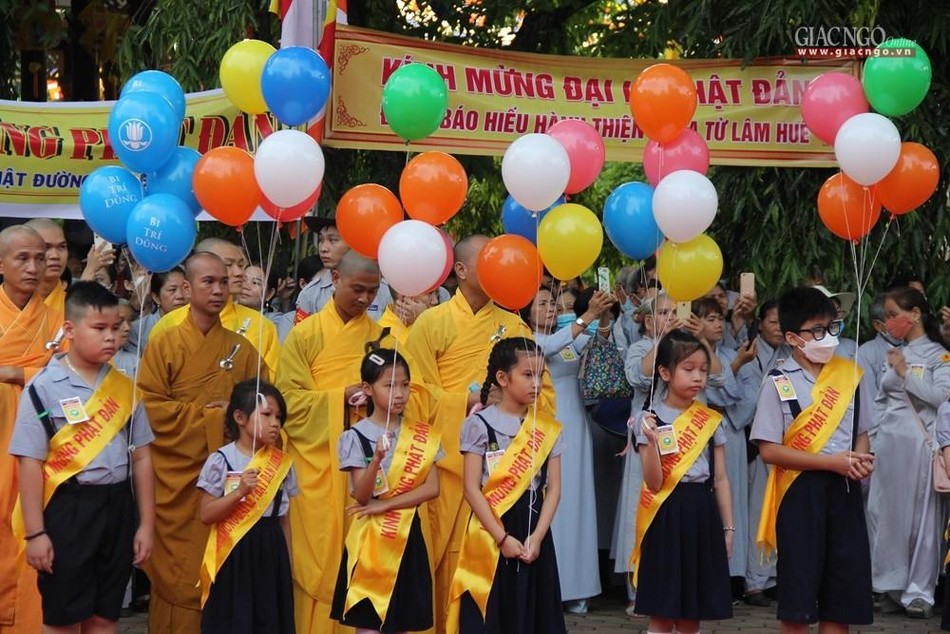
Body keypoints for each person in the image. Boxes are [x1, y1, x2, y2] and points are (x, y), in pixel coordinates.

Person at [403, 235, 553, 633]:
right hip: (449, 464)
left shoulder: (514, 326)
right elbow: (414, 393)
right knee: (444, 560)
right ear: (461, 270)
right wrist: (465, 402)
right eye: (487, 264)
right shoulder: (430, 324)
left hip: (507, 472)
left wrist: (505, 408)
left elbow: (544, 397)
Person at [11, 281, 155, 634]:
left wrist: (146, 524)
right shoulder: (43, 388)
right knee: (63, 616)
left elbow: (142, 458)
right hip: (69, 507)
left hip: (118, 505)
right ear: (70, 330)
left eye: (117, 328)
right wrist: (36, 534)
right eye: (100, 328)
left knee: (106, 614)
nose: (111, 337)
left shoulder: (125, 387)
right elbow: (29, 463)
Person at [137, 252, 264, 633]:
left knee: (223, 572)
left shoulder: (244, 350)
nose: (219, 290)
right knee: (177, 574)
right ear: (188, 288)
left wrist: (238, 414)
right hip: (177, 480)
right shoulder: (165, 343)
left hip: (227, 483)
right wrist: (217, 419)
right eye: (208, 282)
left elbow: (266, 406)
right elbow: (149, 411)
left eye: (224, 282)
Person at [276, 251, 399, 634]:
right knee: (317, 553)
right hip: (318, 463)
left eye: (372, 292)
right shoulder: (305, 334)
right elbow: (286, 402)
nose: (364, 299)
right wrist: (338, 397)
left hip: (366, 461)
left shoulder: (382, 337)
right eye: (357, 289)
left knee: (361, 553)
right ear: (335, 279)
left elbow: (400, 392)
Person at [751, 286, 875, 633]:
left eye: (832, 328)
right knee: (799, 593)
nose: (828, 337)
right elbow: (768, 450)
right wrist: (830, 462)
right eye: (817, 331)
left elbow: (862, 431)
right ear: (793, 337)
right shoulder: (778, 381)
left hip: (845, 490)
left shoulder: (850, 374)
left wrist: (861, 459)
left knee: (842, 591)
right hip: (799, 493)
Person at [448, 337, 566, 633]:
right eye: (528, 375)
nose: (536, 383)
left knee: (531, 611)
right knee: (491, 611)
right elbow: (471, 488)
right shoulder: (479, 425)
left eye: (540, 375)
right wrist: (501, 538)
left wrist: (537, 537)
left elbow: (553, 488)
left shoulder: (547, 427)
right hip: (490, 528)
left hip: (532, 527)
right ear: (502, 377)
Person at [331, 349, 442, 633]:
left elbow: (432, 488)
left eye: (405, 385)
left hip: (407, 536)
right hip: (370, 541)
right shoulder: (354, 436)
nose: (400, 393)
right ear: (367, 389)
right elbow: (361, 495)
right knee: (368, 623)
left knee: (402, 622)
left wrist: (387, 506)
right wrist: (377, 460)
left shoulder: (422, 435)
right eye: (389, 385)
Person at [632, 331, 734, 632]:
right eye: (688, 369)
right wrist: (649, 441)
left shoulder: (711, 419)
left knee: (693, 608)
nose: (698, 377)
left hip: (701, 510)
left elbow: (722, 478)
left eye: (703, 370)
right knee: (662, 608)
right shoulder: (649, 419)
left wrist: (728, 528)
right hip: (663, 512)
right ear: (664, 372)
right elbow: (653, 482)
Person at [522, 285, 612, 613]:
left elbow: (598, 343)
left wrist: (601, 318)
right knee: (549, 500)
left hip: (575, 422)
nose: (549, 308)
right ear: (527, 310)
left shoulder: (568, 332)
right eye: (542, 303)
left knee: (576, 500)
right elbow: (550, 345)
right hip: (544, 422)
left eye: (552, 303)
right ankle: (548, 585)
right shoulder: (527, 338)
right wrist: (587, 316)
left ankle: (578, 586)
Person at [867, 287, 950, 619]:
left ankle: (919, 592)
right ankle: (890, 586)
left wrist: (904, 374)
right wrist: (872, 443)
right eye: (886, 316)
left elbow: (943, 398)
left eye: (893, 314)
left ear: (915, 314)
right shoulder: (895, 352)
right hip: (888, 448)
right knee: (885, 517)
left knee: (921, 519)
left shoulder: (937, 355)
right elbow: (881, 400)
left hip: (919, 447)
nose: (888, 322)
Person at [0, 225, 63, 633]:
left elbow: (72, 373)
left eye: (39, 258)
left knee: (26, 521)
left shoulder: (59, 318)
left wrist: (17, 371)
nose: (34, 267)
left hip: (35, 442)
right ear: (1, 263)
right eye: (22, 258)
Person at [198, 380, 297, 634]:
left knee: (270, 621)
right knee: (235, 621)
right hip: (234, 551)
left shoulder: (282, 464)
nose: (275, 422)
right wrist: (239, 493)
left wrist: (287, 564)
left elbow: (284, 521)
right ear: (240, 417)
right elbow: (206, 514)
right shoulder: (222, 459)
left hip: (271, 548)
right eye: (266, 415)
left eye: (278, 416)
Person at [691, 297, 757, 585]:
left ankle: (731, 572)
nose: (718, 324)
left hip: (728, 430)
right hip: (696, 430)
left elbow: (737, 395)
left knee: (731, 498)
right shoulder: (687, 354)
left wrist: (736, 364)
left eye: (720, 319)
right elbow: (710, 389)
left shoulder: (733, 354)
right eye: (709, 319)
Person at [147, 239, 281, 375]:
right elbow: (152, 386)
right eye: (228, 264)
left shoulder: (261, 325)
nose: (239, 272)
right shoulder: (169, 324)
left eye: (241, 265)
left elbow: (268, 382)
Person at [297, 214, 392, 323]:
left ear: (352, 243)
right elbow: (303, 337)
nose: (323, 248)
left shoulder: (382, 290)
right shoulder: (310, 294)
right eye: (321, 240)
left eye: (333, 240)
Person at [129, 267, 186, 352]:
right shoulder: (138, 330)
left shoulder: (200, 323)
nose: (180, 296)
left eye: (185, 288)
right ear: (156, 297)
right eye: (172, 290)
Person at [24, 219, 70, 315]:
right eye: (46, 247)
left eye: (62, 247)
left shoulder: (78, 307)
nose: (55, 256)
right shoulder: (5, 303)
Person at [112, 299, 139, 378]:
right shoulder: (86, 360)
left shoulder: (135, 363)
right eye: (120, 321)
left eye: (129, 321)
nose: (127, 328)